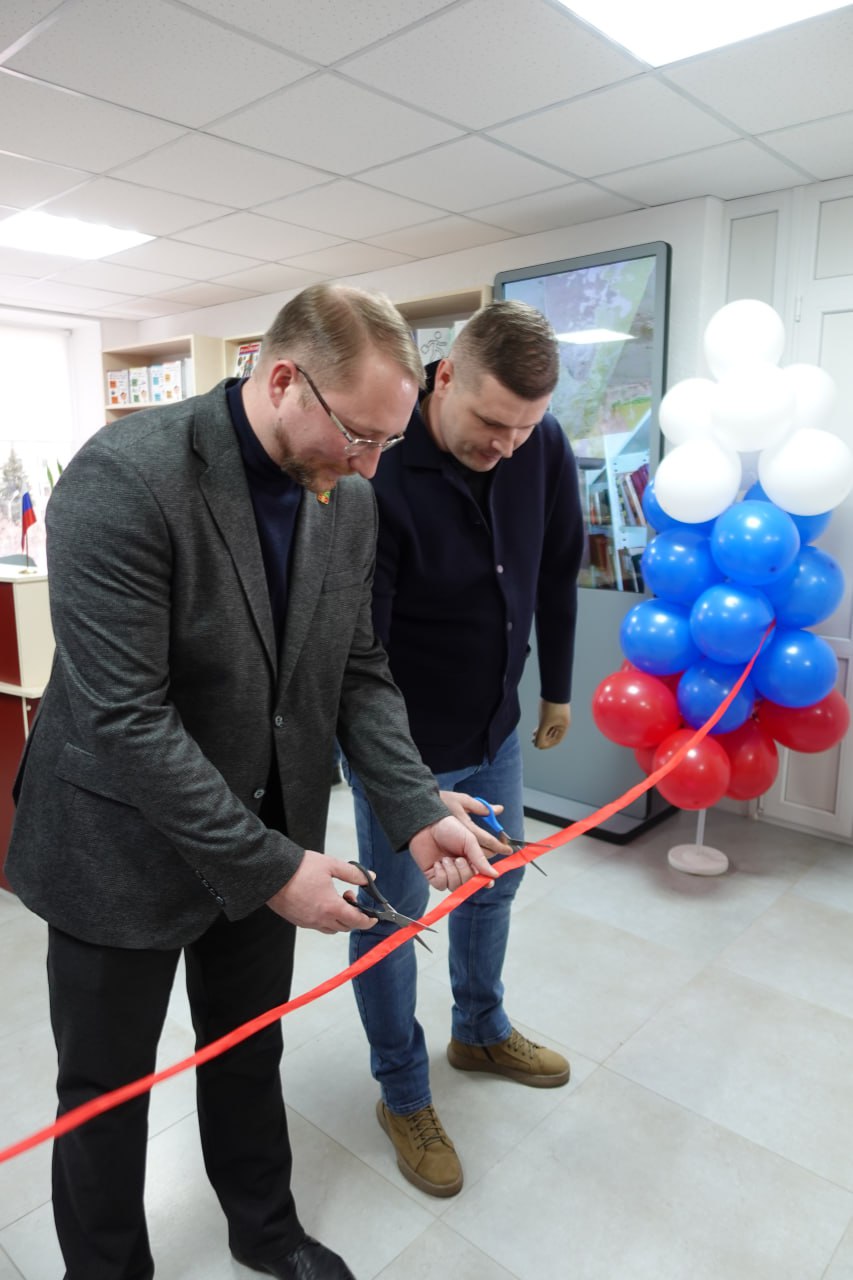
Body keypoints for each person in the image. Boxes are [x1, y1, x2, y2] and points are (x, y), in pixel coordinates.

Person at [5, 283, 498, 1280]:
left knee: (247, 1047)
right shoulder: (124, 478)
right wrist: (274, 863)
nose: (369, 464)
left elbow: (354, 667)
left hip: (268, 824)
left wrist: (407, 806)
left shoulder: (350, 500)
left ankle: (262, 1226)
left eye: (386, 443)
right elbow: (123, 716)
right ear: (282, 380)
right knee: (104, 1087)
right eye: (360, 434)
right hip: (116, 843)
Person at [344, 299, 585, 1197]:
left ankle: (478, 1029)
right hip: (401, 751)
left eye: (525, 427)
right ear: (443, 377)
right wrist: (407, 790)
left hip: (493, 730)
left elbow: (557, 565)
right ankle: (401, 1090)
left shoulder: (540, 443)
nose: (507, 445)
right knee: (390, 923)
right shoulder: (378, 469)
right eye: (491, 422)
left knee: (500, 878)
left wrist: (552, 686)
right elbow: (358, 653)